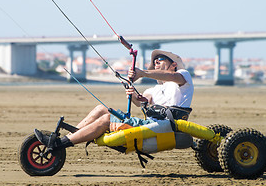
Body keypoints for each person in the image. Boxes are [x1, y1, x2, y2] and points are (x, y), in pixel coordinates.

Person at [34, 49, 194, 150]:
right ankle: (78, 133)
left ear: (173, 64)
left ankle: (59, 144)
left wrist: (143, 73)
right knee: (100, 109)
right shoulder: (153, 90)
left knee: (106, 120)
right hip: (150, 124)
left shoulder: (182, 76)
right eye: (155, 61)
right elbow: (141, 103)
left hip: (164, 127)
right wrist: (133, 96)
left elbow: (173, 77)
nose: (156, 62)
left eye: (161, 59)